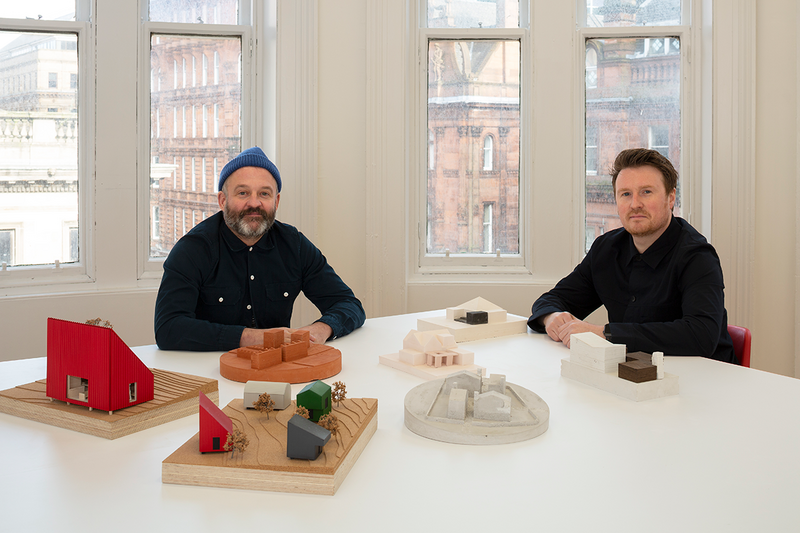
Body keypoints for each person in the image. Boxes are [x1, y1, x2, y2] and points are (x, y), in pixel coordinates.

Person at [528, 148, 736, 364]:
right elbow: (552, 300)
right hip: (631, 375)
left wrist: (604, 334)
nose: (635, 203)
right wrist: (551, 317)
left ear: (671, 197)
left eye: (646, 192)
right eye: (626, 194)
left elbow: (701, 335)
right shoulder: (606, 248)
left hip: (705, 379)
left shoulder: (697, 256)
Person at [154, 146, 365, 351]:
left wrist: (320, 329)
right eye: (243, 193)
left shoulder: (295, 246)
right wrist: (254, 338)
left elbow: (348, 304)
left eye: (264, 194)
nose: (254, 203)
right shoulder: (192, 250)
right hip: (209, 373)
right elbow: (168, 328)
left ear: (277, 201)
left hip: (277, 371)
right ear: (222, 200)